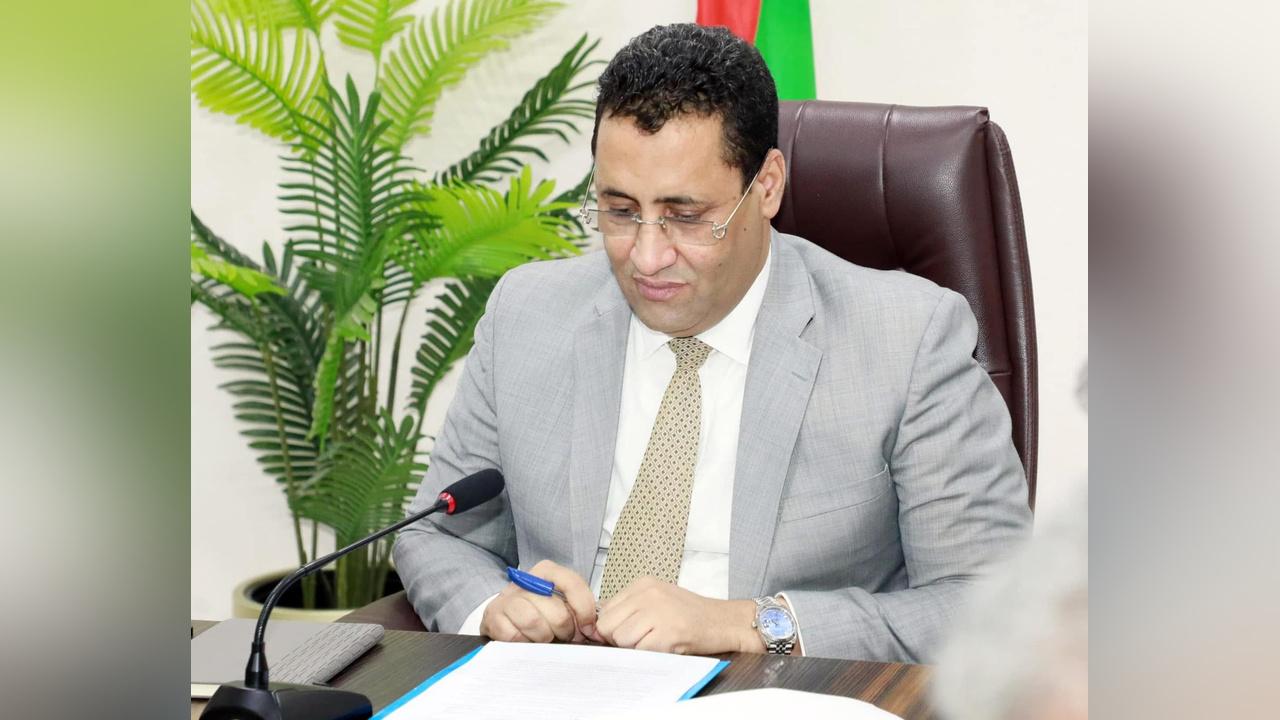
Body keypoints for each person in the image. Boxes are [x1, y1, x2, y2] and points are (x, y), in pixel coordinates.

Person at [393, 23, 1031, 662]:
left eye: (686, 216)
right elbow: (436, 536)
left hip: (777, 692)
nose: (646, 257)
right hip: (560, 686)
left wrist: (750, 625)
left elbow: (992, 608)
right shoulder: (526, 314)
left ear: (768, 186)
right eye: (620, 211)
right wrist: (494, 607)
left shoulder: (907, 339)